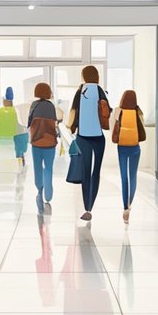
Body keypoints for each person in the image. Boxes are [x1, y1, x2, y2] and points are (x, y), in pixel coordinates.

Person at [68, 65, 110, 221]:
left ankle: (87, 208)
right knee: (95, 172)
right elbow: (108, 112)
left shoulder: (80, 91)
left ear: (84, 76)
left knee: (85, 172)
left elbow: (73, 112)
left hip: (83, 137)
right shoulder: (100, 91)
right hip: (99, 137)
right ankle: (90, 205)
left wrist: (72, 127)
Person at [112, 89, 147, 221]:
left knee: (124, 177)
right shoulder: (138, 111)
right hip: (135, 148)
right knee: (133, 176)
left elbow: (113, 126)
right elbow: (142, 127)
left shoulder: (118, 111)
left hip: (122, 148)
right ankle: (129, 204)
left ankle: (124, 207)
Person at [26, 82, 59, 212]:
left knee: (37, 167)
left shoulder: (34, 105)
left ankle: (39, 190)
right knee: (49, 168)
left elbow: (29, 123)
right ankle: (49, 194)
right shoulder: (51, 106)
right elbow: (54, 122)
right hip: (50, 142)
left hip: (36, 142)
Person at [0, 87, 26, 168]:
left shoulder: (0, 111)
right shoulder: (16, 111)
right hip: (13, 138)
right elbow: (20, 126)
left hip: (1, 139)